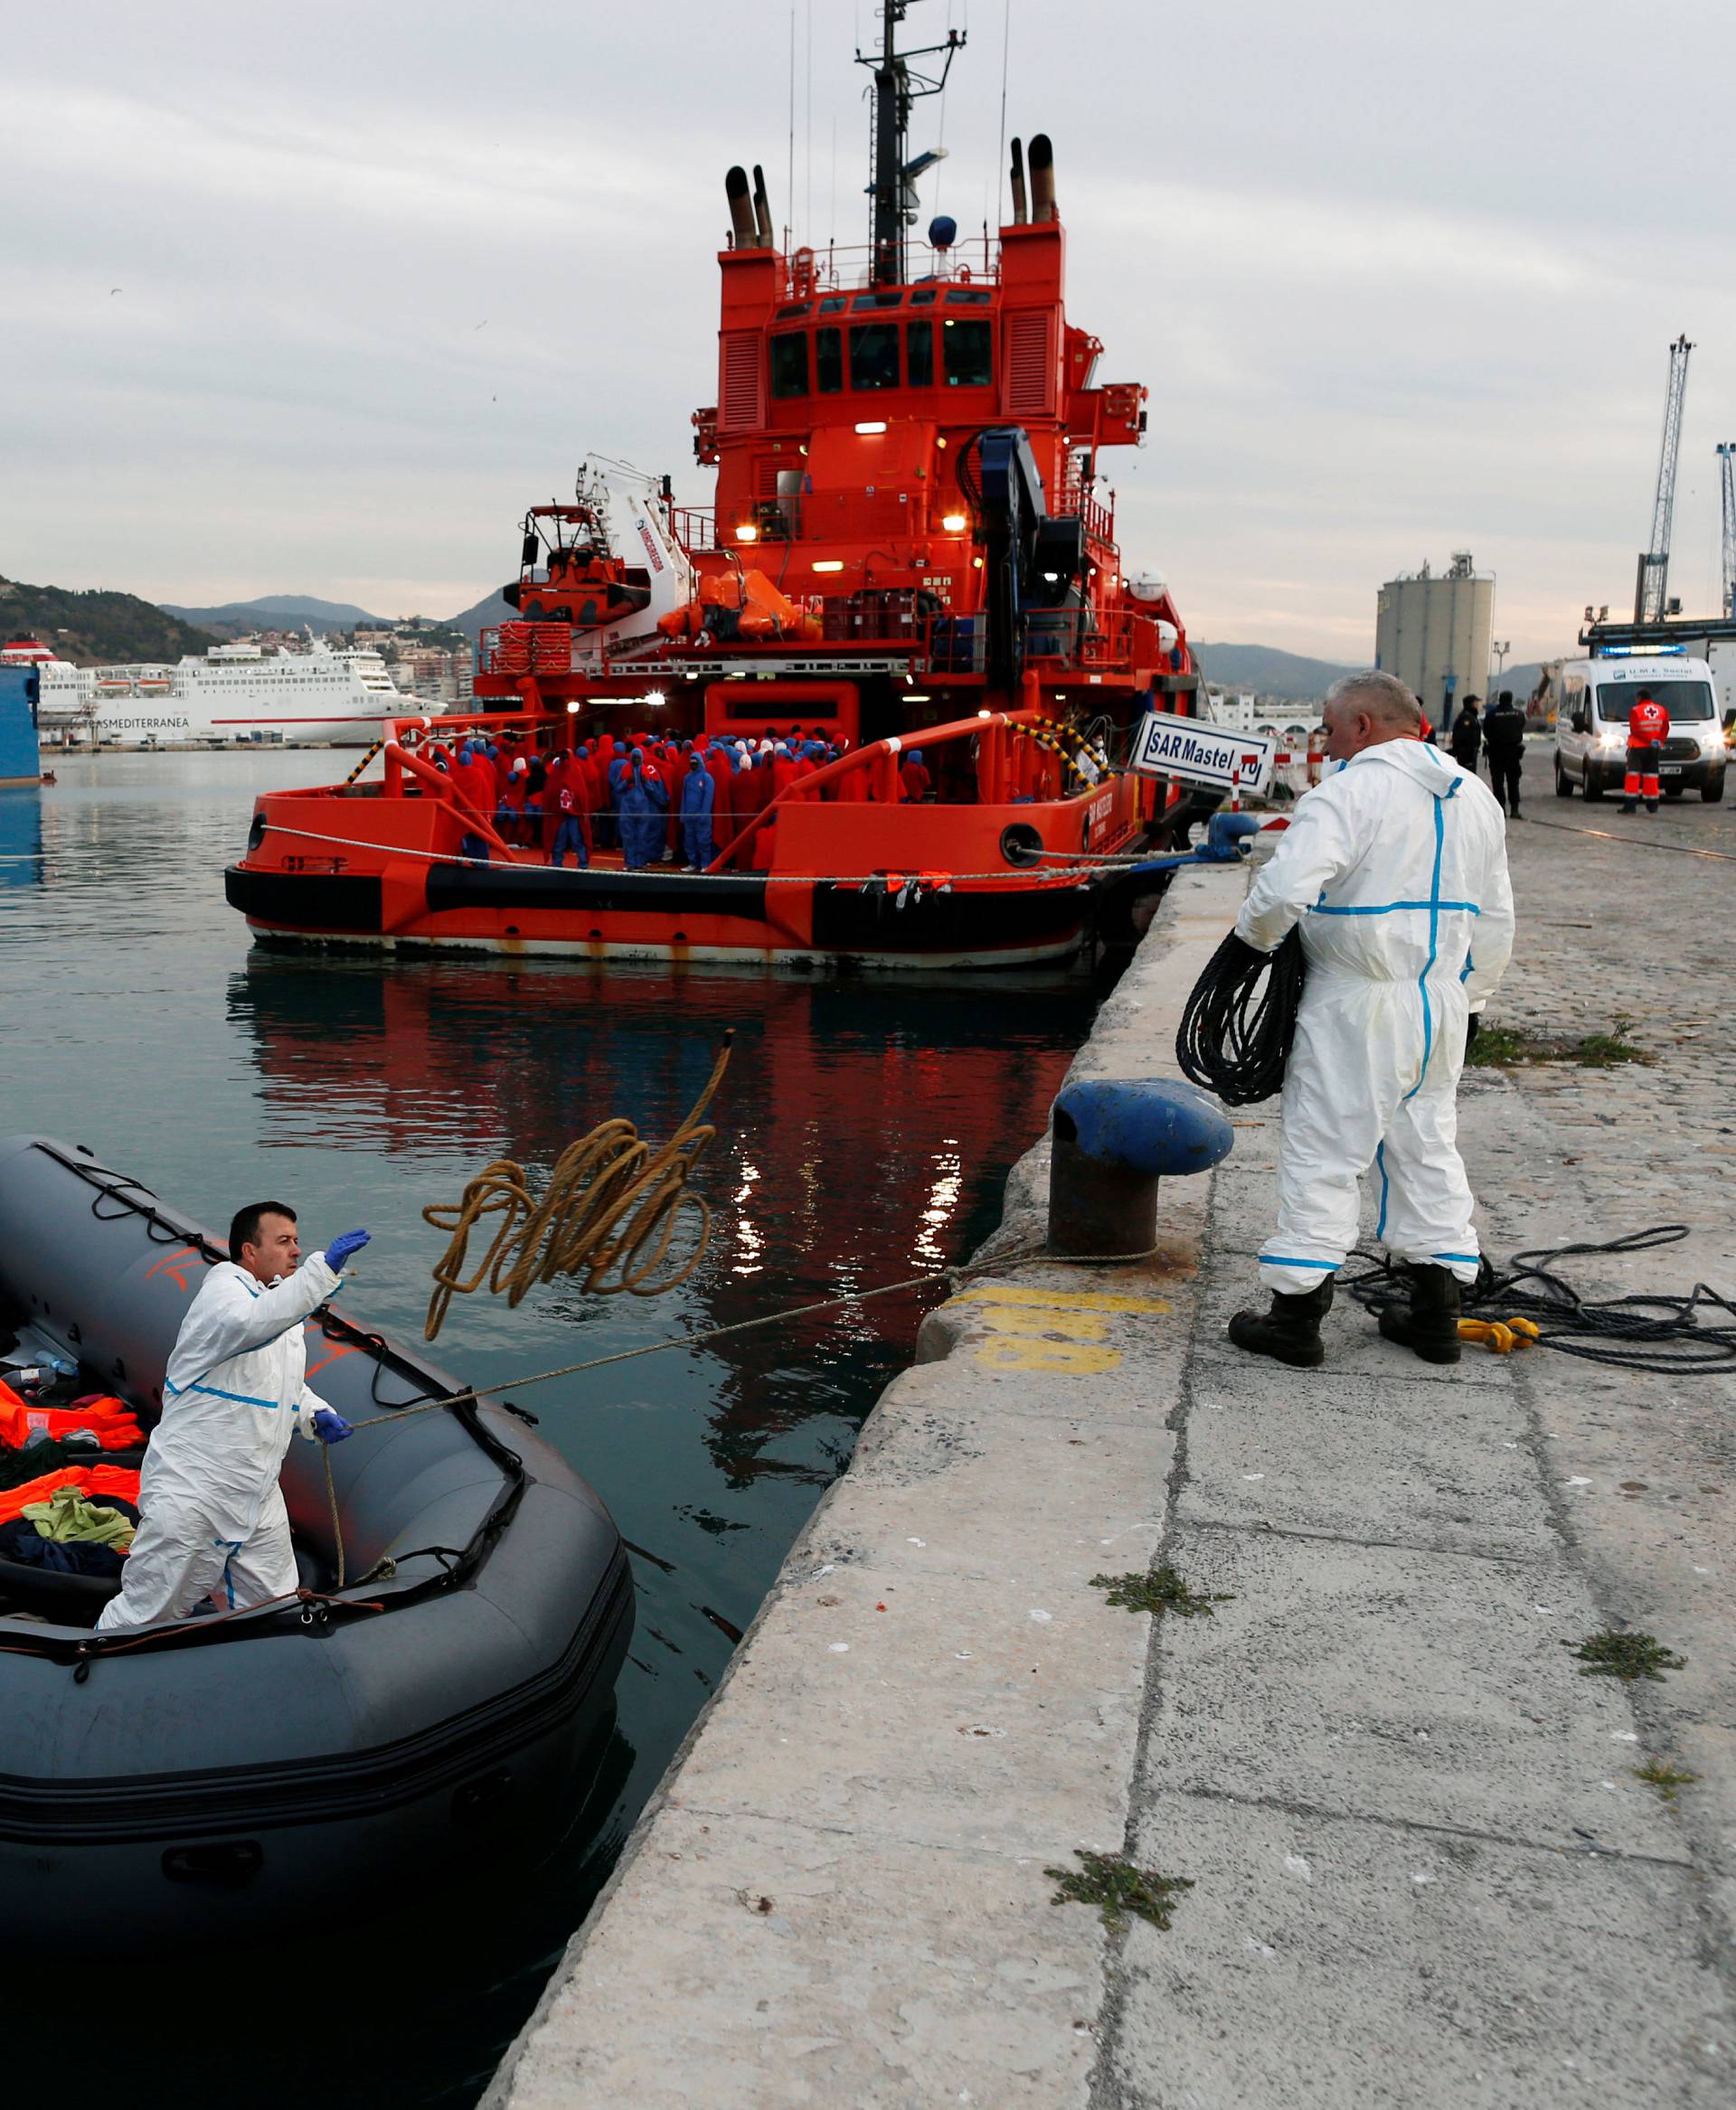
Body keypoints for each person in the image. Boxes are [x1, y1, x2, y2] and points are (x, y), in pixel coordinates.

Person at [1225, 671, 1514, 1370]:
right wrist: (1473, 1002)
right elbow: (1497, 918)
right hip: (1439, 1003)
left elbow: (1284, 891)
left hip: (1357, 999)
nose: (1325, 743)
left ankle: (1295, 1319)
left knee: (1326, 1150)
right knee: (1425, 1146)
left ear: (1361, 725)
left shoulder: (1348, 793)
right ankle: (1436, 1316)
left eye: (1328, 729)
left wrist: (1247, 946)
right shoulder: (1474, 796)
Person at [95, 1208, 367, 1631]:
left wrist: (314, 1413)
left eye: (297, 1240)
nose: (296, 1249)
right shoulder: (224, 1295)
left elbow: (276, 1381)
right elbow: (252, 1324)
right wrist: (321, 1272)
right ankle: (102, 1678)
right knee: (148, 1612)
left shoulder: (277, 1305)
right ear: (249, 1250)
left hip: (256, 1493)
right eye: (284, 1241)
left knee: (276, 1608)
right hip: (196, 1491)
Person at [1619, 686, 1670, 814]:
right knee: (1651, 776)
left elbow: (1635, 730)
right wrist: (1658, 741)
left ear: (1639, 698)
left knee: (1633, 776)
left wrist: (1648, 740)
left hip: (1637, 748)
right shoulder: (1661, 710)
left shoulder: (1635, 711)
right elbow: (1665, 728)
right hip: (1653, 749)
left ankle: (1630, 806)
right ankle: (1652, 805)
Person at [617, 747, 668, 869]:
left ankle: (640, 863)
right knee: (628, 837)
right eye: (635, 758)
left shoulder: (645, 771)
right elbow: (617, 788)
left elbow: (652, 790)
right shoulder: (625, 770)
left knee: (642, 836)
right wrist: (627, 782)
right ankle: (630, 863)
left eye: (639, 757)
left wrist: (646, 782)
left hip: (642, 808)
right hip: (628, 809)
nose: (637, 760)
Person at [1482, 689, 1525, 818]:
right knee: (1513, 782)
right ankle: (1515, 809)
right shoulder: (1518, 713)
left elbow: (1486, 732)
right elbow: (1521, 727)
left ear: (1500, 699)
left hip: (1496, 752)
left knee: (1498, 782)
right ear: (1511, 699)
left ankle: (1501, 809)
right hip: (1513, 752)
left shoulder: (1491, 714)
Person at [679, 750, 717, 870]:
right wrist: (683, 814)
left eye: (695, 762)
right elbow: (684, 797)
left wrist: (703, 814)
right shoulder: (687, 778)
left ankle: (706, 864)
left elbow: (708, 798)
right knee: (689, 841)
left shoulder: (707, 778)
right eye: (691, 763)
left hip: (702, 817)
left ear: (700, 762)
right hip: (689, 816)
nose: (693, 765)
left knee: (703, 841)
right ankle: (693, 863)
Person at [1449, 696, 1483, 773]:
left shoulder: (1473, 716)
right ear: (1470, 704)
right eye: (1476, 702)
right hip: (1466, 754)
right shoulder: (1466, 717)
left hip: (1471, 752)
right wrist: (1465, 750)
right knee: (1467, 774)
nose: (1478, 704)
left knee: (1471, 774)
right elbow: (1463, 735)